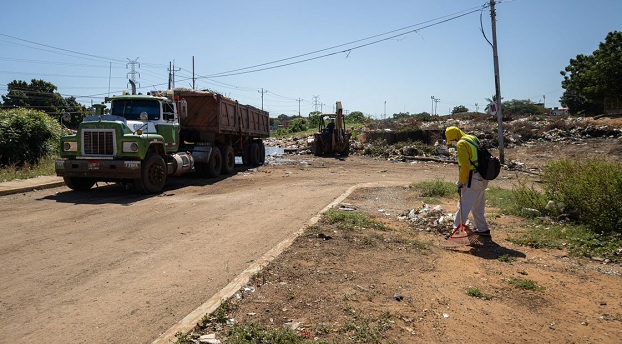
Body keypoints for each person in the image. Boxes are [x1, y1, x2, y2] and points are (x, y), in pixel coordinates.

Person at [445, 126, 490, 236]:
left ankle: (456, 232)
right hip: (483, 176)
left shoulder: (461, 144)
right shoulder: (472, 138)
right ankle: (483, 230)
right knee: (478, 207)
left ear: (455, 137)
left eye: (452, 141)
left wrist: (460, 182)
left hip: (472, 178)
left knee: (463, 206)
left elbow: (465, 166)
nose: (453, 143)